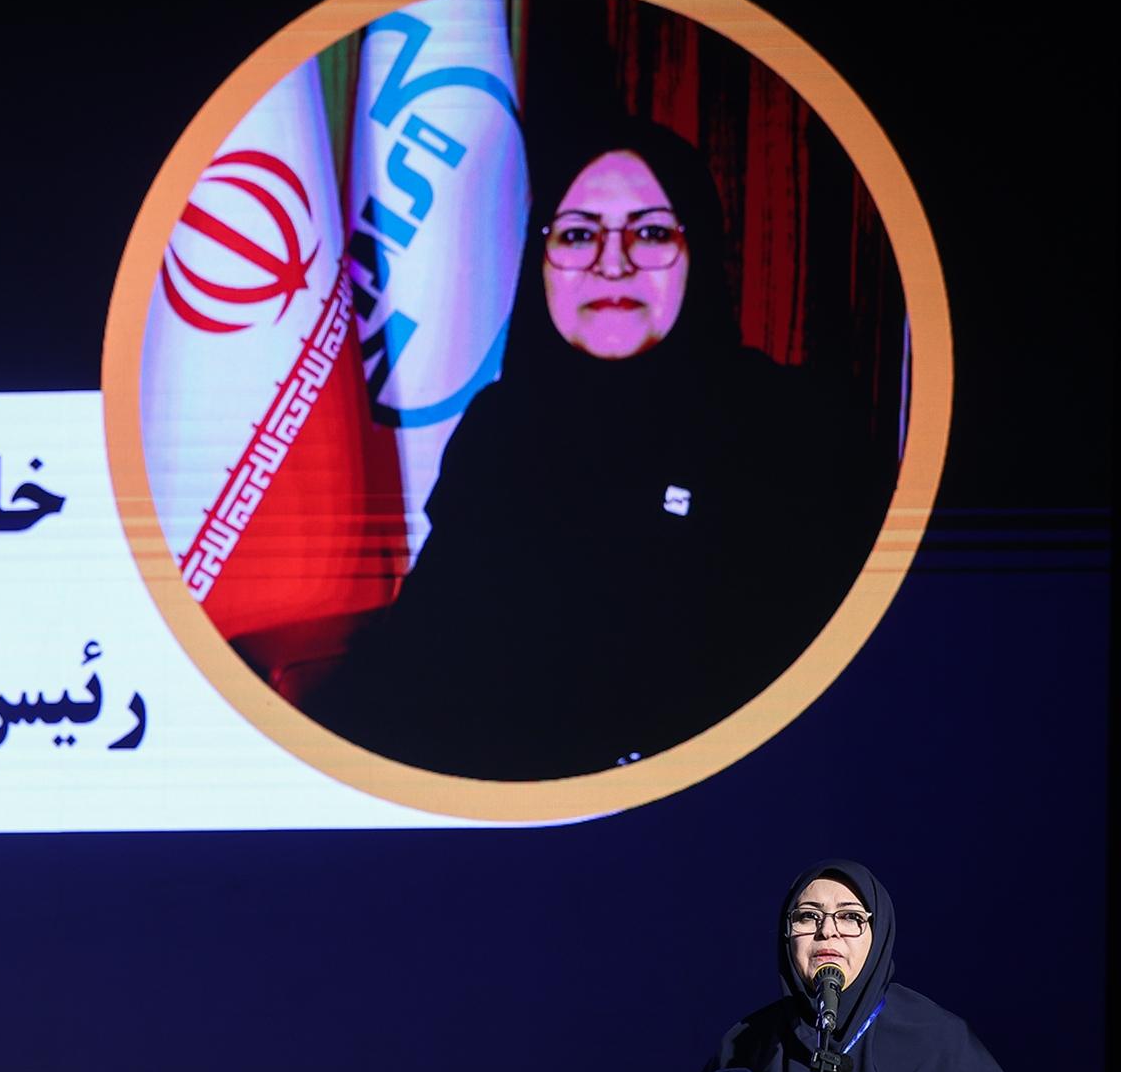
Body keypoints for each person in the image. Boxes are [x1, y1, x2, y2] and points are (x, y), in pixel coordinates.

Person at [306, 119, 892, 778]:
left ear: (699, 252)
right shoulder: (501, 427)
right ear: (541, 261)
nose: (612, 263)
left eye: (651, 233)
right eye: (579, 235)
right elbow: (421, 652)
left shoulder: (794, 429)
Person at [694, 859, 1018, 1072]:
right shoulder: (744, 1047)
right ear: (786, 935)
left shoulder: (942, 1044)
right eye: (808, 916)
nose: (827, 930)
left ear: (878, 935)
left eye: (850, 917)